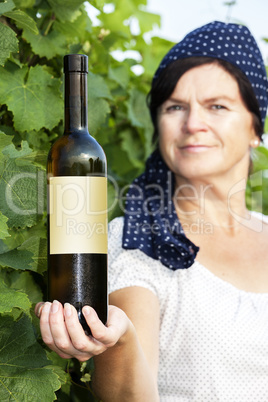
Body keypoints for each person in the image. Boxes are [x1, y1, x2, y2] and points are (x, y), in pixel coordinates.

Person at [35, 21, 268, 401]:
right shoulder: (139, 241)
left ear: (256, 127)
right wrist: (121, 341)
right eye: (175, 106)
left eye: (217, 106)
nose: (193, 124)